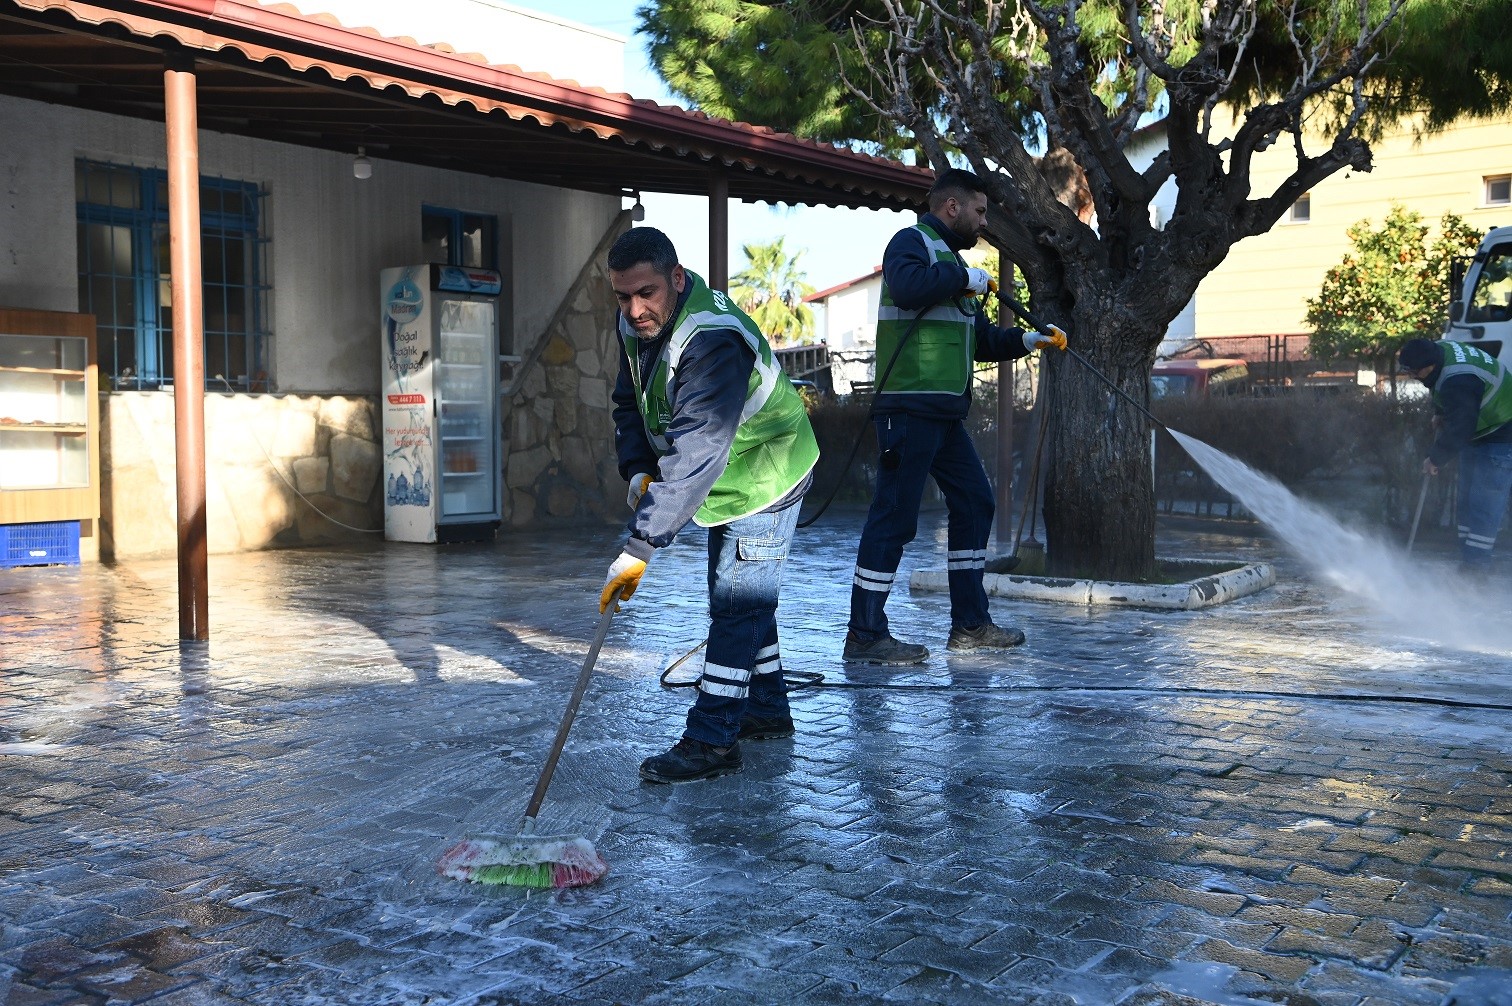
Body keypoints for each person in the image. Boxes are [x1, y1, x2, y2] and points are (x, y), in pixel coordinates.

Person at [601, 226, 820, 783]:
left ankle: (713, 740)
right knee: (744, 596)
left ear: (676, 279)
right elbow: (629, 399)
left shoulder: (711, 338)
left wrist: (641, 544)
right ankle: (766, 710)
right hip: (728, 476)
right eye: (622, 296)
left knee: (736, 601)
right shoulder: (636, 324)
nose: (634, 308)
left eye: (646, 292)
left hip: (767, 467)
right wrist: (638, 469)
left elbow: (700, 446)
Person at [845, 168, 1066, 665]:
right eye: (980, 212)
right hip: (907, 409)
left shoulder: (952, 266)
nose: (983, 222)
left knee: (975, 504)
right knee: (894, 519)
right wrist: (961, 278)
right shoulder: (913, 244)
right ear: (952, 207)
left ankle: (969, 624)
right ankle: (864, 634)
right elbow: (905, 288)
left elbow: (980, 340)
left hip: (944, 414)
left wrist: (1027, 340)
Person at [1399, 337, 1512, 571]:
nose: (1412, 376)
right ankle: (1468, 560)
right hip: (1481, 429)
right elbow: (1445, 392)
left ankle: (1475, 570)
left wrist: (1435, 458)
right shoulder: (1441, 350)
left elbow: (1462, 426)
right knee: (1467, 502)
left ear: (1428, 365)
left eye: (1414, 371)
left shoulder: (1459, 380)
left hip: (1502, 431)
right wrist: (1441, 411)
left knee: (1484, 505)